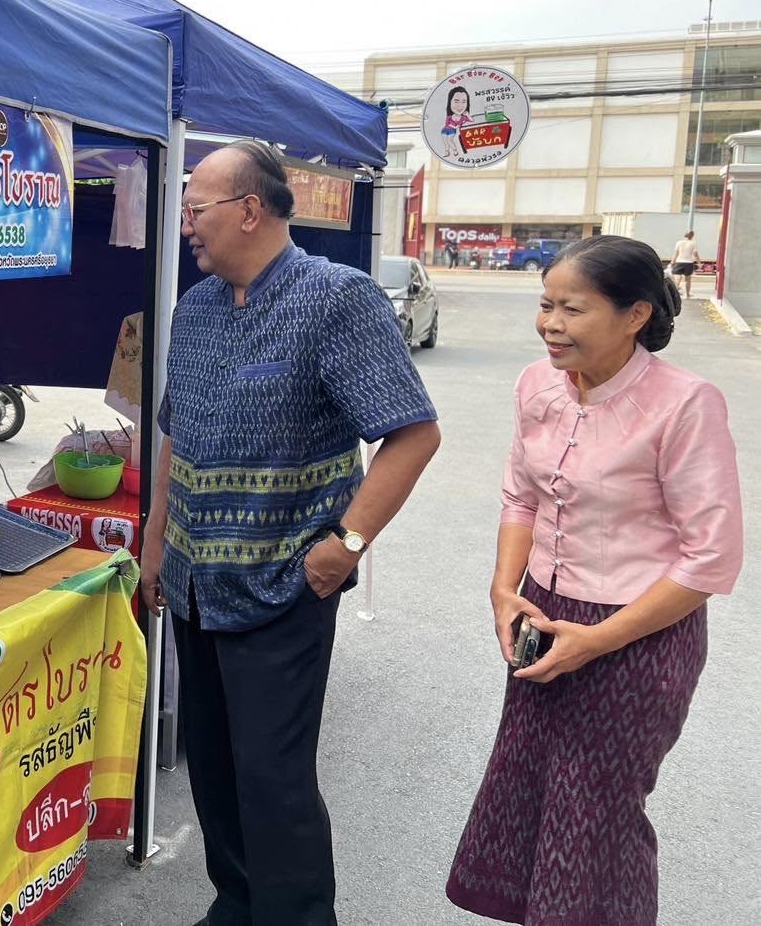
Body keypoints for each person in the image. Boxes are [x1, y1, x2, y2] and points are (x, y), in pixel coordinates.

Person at [140, 140, 441, 925]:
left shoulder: (336, 299)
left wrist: (344, 546)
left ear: (249, 209)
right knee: (211, 767)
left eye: (196, 209)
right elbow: (177, 435)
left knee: (271, 778)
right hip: (194, 585)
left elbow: (411, 434)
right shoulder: (197, 308)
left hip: (281, 585)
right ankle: (234, 904)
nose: (186, 227)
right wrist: (151, 546)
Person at [446, 235, 743, 926]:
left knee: (597, 817)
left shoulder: (683, 403)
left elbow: (710, 558)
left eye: (572, 310)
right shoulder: (535, 385)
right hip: (543, 615)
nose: (550, 323)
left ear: (635, 314)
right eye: (545, 305)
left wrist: (597, 641)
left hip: (638, 634)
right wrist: (502, 590)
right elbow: (521, 497)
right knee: (529, 797)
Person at [442, 86, 474, 160]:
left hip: (452, 131)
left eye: (464, 102)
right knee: (445, 142)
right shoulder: (449, 117)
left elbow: (472, 120)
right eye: (456, 101)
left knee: (450, 141)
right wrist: (455, 126)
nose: (460, 106)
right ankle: (447, 152)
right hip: (445, 130)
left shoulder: (464, 118)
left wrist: (467, 114)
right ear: (449, 102)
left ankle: (455, 151)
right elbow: (447, 124)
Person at [671, 228, 700, 299]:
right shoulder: (693, 243)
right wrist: (699, 262)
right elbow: (695, 254)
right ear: (692, 236)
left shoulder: (679, 242)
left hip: (679, 262)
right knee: (688, 280)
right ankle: (687, 294)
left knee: (677, 280)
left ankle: (674, 295)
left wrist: (672, 262)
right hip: (689, 263)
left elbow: (676, 254)